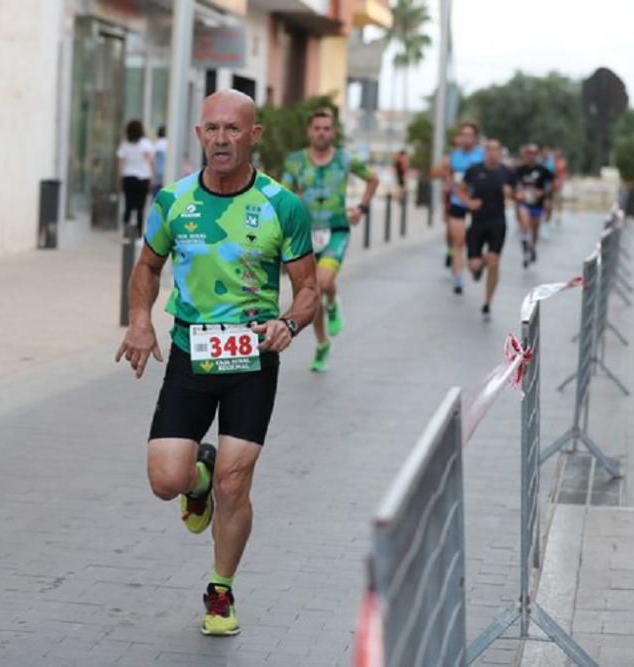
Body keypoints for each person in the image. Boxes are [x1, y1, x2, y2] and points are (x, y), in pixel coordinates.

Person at [115, 89, 317, 637]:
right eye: (212, 129)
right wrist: (139, 318)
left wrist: (289, 324)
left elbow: (307, 289)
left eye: (233, 129)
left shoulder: (282, 205)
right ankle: (196, 475)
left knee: (235, 483)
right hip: (191, 353)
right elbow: (147, 267)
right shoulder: (174, 201)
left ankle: (221, 589)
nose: (221, 139)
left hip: (253, 356)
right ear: (199, 134)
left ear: (253, 136)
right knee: (165, 480)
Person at [282, 109, 378, 372]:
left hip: (336, 229)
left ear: (333, 132)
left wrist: (362, 208)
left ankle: (334, 303)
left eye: (326, 128)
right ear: (309, 132)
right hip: (306, 232)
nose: (322, 132)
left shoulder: (345, 160)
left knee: (323, 283)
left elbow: (373, 178)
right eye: (317, 128)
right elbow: (284, 193)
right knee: (311, 293)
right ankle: (322, 343)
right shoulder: (295, 161)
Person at [458, 139, 515, 319]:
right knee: (474, 265)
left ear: (500, 153)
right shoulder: (474, 170)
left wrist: (511, 193)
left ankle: (487, 303)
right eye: (489, 150)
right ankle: (478, 267)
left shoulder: (507, 172)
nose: (492, 153)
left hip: (498, 222)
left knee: (494, 260)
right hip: (477, 222)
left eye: (496, 150)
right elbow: (460, 190)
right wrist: (469, 202)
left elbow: (517, 193)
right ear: (485, 152)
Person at [434, 121, 484, 293]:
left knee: (475, 241)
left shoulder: (482, 155)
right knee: (458, 241)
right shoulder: (453, 157)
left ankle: (476, 263)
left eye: (470, 135)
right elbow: (440, 177)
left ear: (476, 138)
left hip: (477, 203)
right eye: (463, 135)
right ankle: (458, 277)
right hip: (457, 202)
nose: (466, 138)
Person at [514, 144, 555, 268]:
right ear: (525, 155)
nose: (531, 156)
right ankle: (525, 247)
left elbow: (554, 182)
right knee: (525, 225)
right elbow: (513, 184)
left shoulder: (542, 169)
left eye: (533, 154)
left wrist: (543, 192)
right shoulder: (519, 169)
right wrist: (517, 192)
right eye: (528, 154)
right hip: (523, 202)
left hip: (537, 203)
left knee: (535, 230)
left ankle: (532, 247)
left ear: (537, 155)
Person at [117, 119, 155, 234]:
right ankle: (138, 233)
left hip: (128, 178)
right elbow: (150, 162)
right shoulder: (146, 144)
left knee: (128, 206)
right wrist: (152, 177)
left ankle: (126, 231)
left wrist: (120, 177)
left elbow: (121, 163)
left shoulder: (125, 145)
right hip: (143, 179)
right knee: (140, 208)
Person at [152, 125, 167, 197]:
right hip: (166, 171)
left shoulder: (156, 144)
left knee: (156, 191)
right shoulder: (169, 143)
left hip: (157, 171)